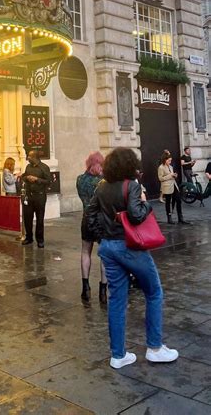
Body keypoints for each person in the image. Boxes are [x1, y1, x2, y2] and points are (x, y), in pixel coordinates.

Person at [86, 147, 179, 369]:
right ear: (129, 165)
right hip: (129, 246)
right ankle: (155, 347)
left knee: (117, 299)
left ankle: (118, 355)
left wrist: (103, 236)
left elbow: (89, 215)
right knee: (154, 292)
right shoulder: (133, 186)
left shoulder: (102, 187)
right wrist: (146, 203)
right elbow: (137, 215)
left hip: (108, 247)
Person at [76, 151, 107, 305]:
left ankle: (85, 287)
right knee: (103, 255)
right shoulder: (104, 182)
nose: (102, 168)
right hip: (101, 221)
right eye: (101, 164)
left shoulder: (80, 180)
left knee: (85, 252)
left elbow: (83, 198)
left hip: (86, 219)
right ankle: (103, 291)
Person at [21, 150, 51, 248]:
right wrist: (26, 177)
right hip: (29, 196)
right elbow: (24, 177)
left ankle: (40, 240)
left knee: (39, 219)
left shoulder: (44, 167)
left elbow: (48, 181)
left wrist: (37, 179)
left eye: (29, 156)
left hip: (40, 196)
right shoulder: (28, 167)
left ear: (34, 157)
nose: (27, 158)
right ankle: (29, 237)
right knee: (27, 218)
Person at [158, 151, 191, 225]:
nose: (170, 162)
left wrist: (174, 175)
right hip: (167, 186)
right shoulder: (161, 167)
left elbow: (171, 175)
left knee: (178, 200)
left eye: (170, 160)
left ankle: (180, 218)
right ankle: (169, 218)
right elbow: (160, 178)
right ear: (165, 160)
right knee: (168, 202)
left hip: (174, 185)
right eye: (169, 160)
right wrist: (170, 175)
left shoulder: (171, 167)